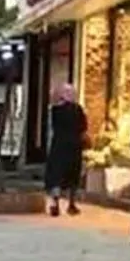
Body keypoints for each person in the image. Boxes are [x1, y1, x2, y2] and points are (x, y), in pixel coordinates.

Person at [44, 83, 88, 216]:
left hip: (59, 145)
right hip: (74, 145)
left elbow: (53, 127)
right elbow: (83, 127)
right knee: (73, 174)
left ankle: (55, 203)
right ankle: (71, 204)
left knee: (57, 173)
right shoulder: (78, 110)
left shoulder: (55, 110)